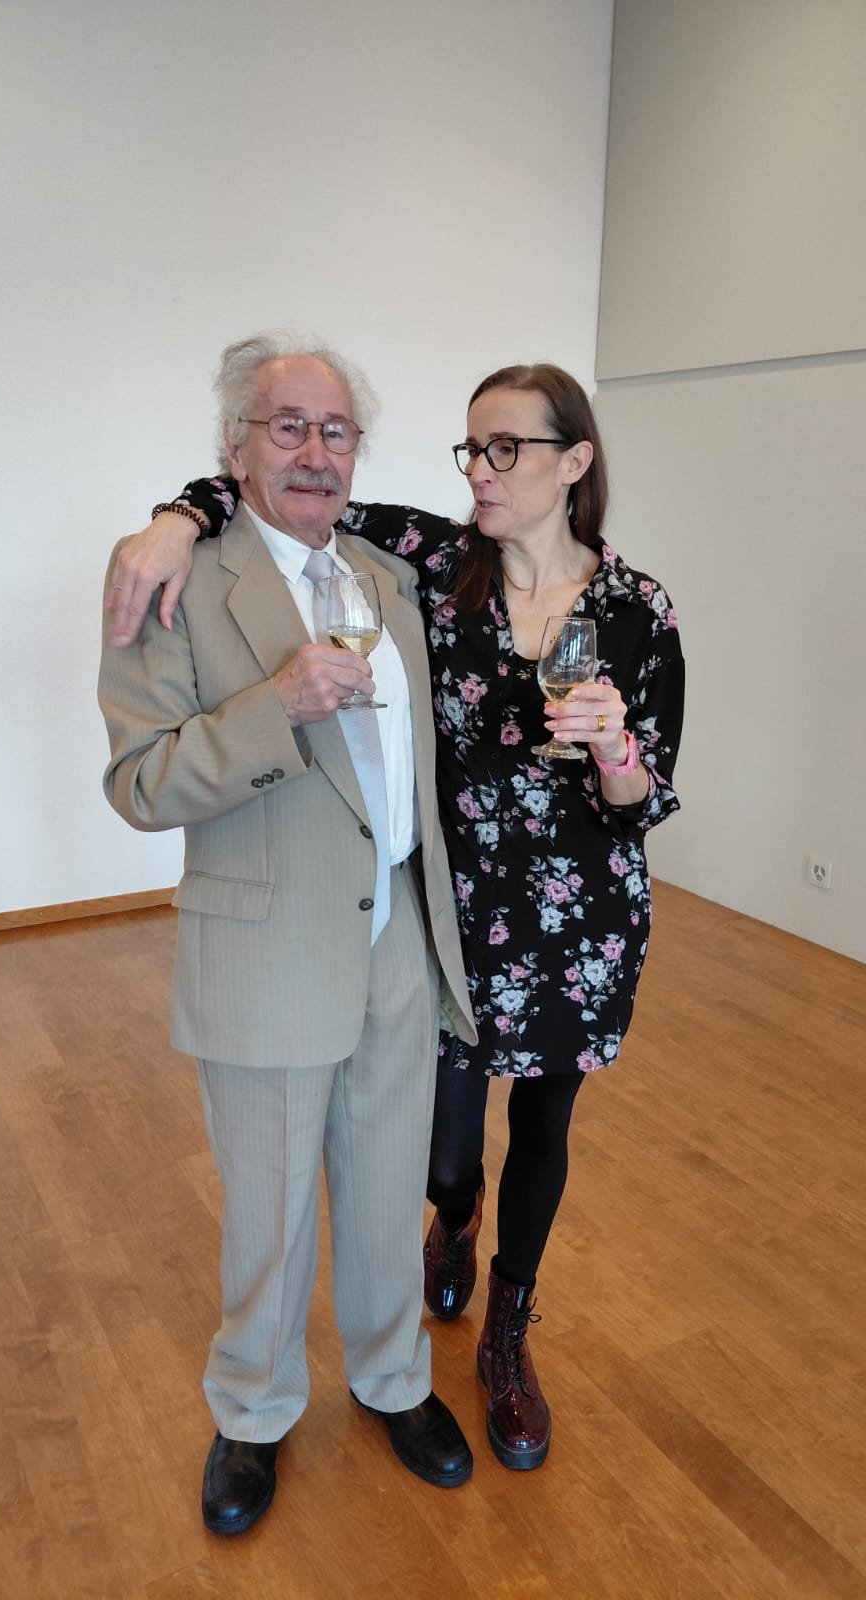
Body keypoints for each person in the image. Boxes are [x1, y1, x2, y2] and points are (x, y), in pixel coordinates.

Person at [108, 357, 684, 1473]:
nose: (481, 470)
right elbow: (283, 489)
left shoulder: (590, 603)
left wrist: (615, 746)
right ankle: (291, 1379)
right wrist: (179, 516)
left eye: (506, 448)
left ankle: (449, 1356)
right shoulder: (414, 565)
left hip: (525, 931)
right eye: (472, 448)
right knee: (373, 1178)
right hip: (395, 926)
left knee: (464, 1156)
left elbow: (646, 792)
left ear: (576, 462)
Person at [98, 333, 477, 1536]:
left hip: (398, 935)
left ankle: (393, 1379)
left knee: (385, 1187)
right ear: (236, 446)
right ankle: (254, 1410)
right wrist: (277, 705)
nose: (315, 452)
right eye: (288, 427)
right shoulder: (173, 577)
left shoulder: (390, 573)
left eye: (336, 430)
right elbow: (141, 783)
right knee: (269, 1209)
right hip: (265, 944)